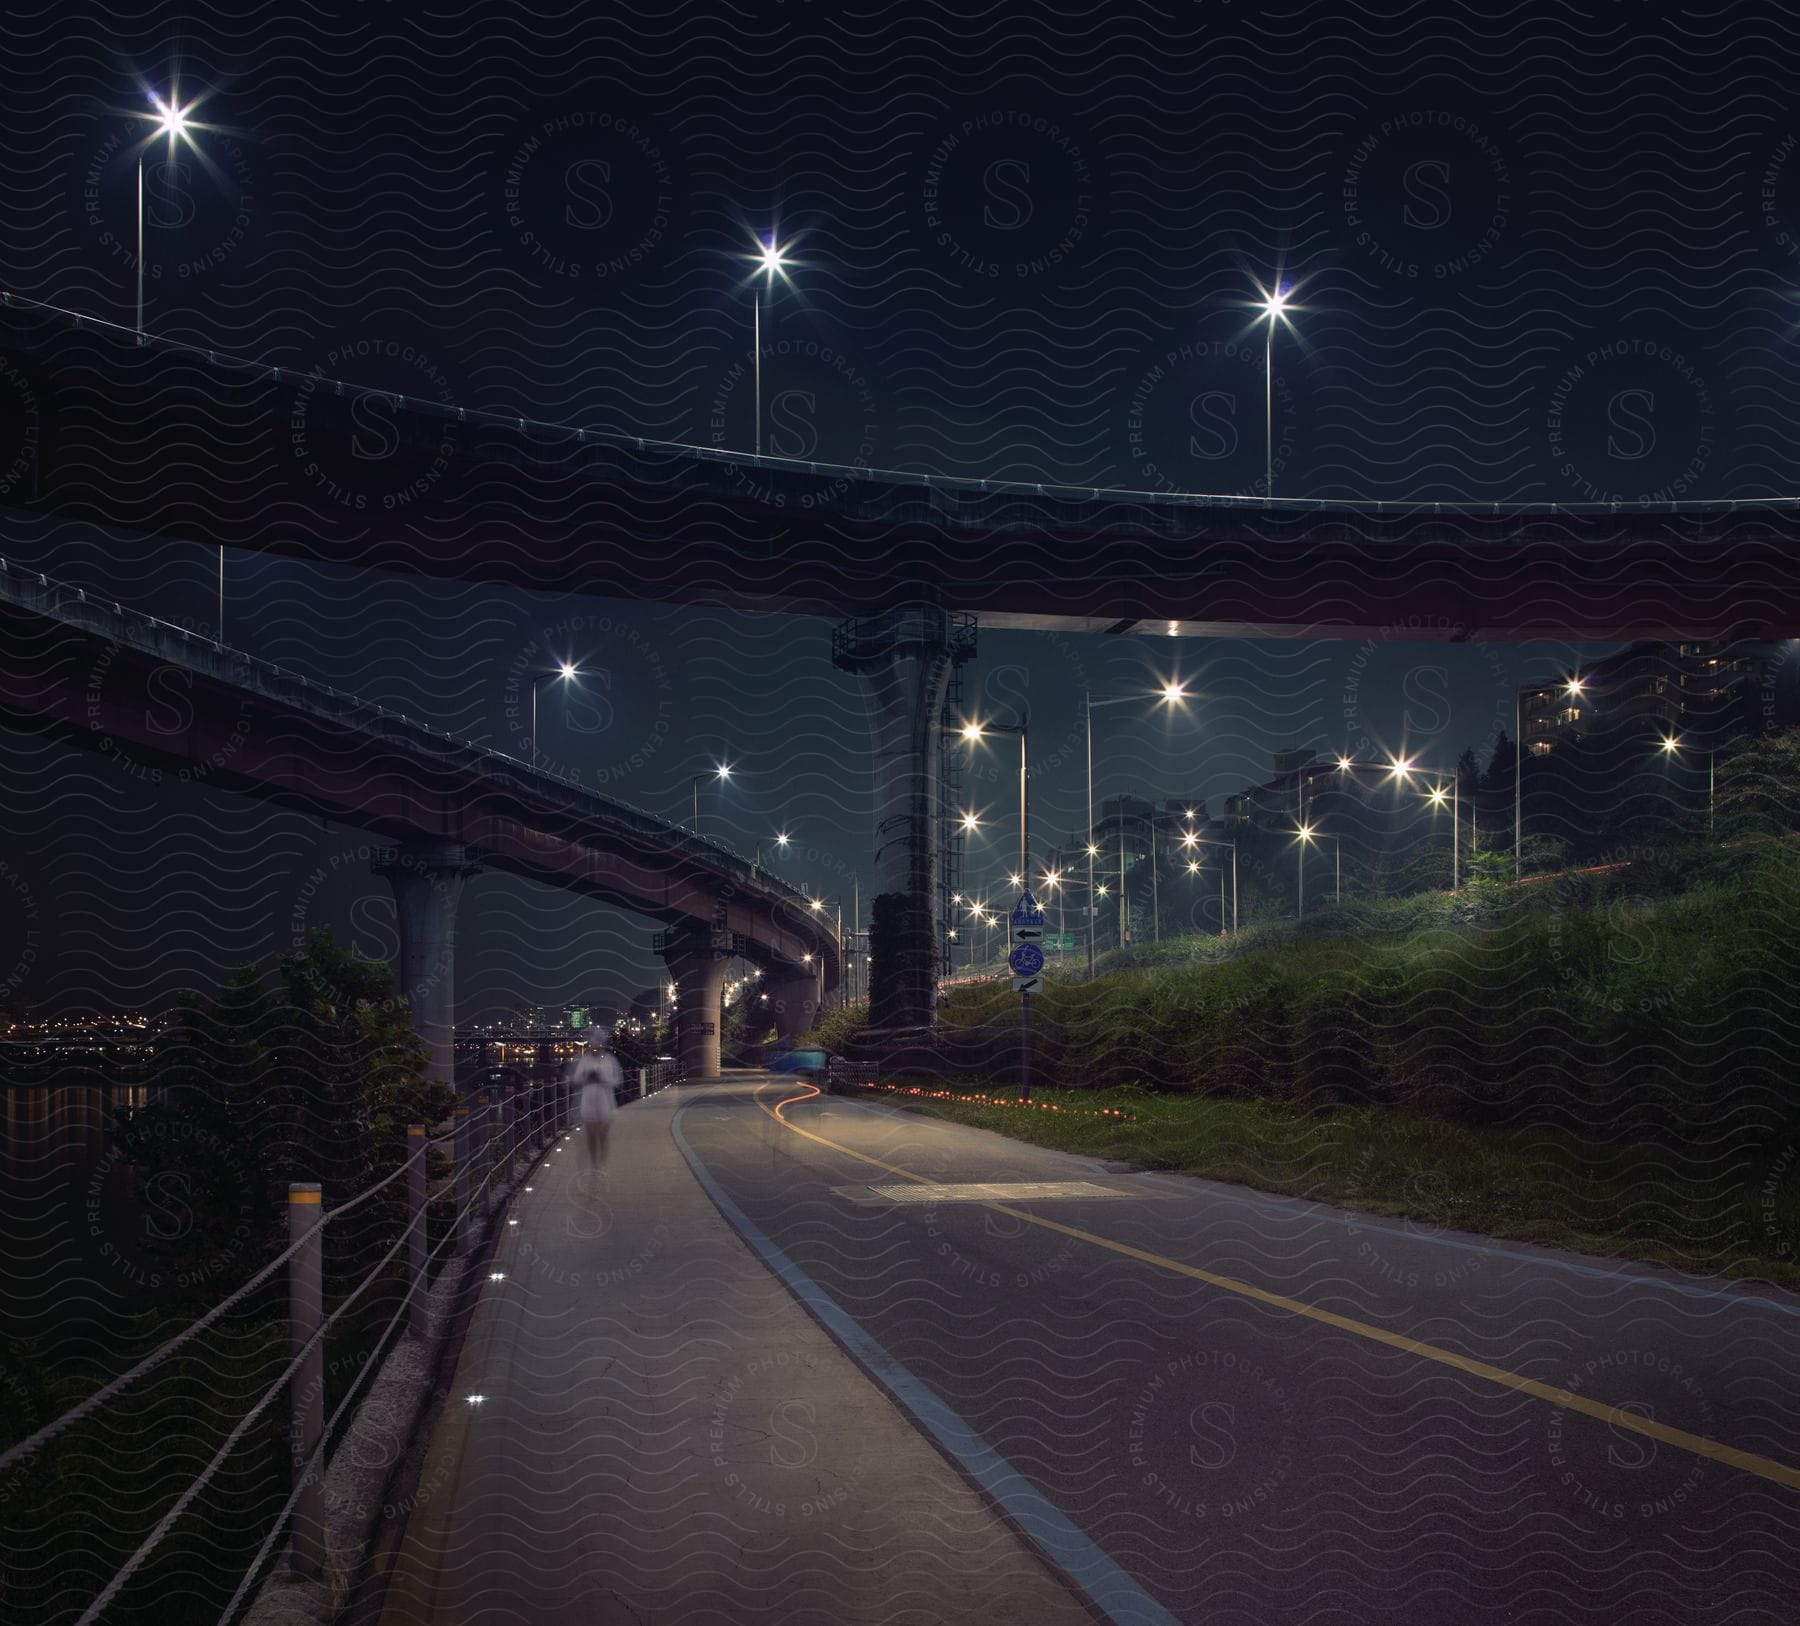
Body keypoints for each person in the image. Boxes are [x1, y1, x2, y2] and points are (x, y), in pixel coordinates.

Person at [567, 1037, 622, 1172]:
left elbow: (617, 1081)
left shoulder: (609, 1060)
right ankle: (594, 1164)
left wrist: (603, 1079)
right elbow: (576, 1079)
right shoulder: (584, 1061)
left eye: (598, 1046)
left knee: (603, 1134)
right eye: (593, 1046)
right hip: (588, 1100)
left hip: (605, 1101)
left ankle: (602, 1164)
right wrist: (587, 1077)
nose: (595, 1048)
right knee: (591, 1134)